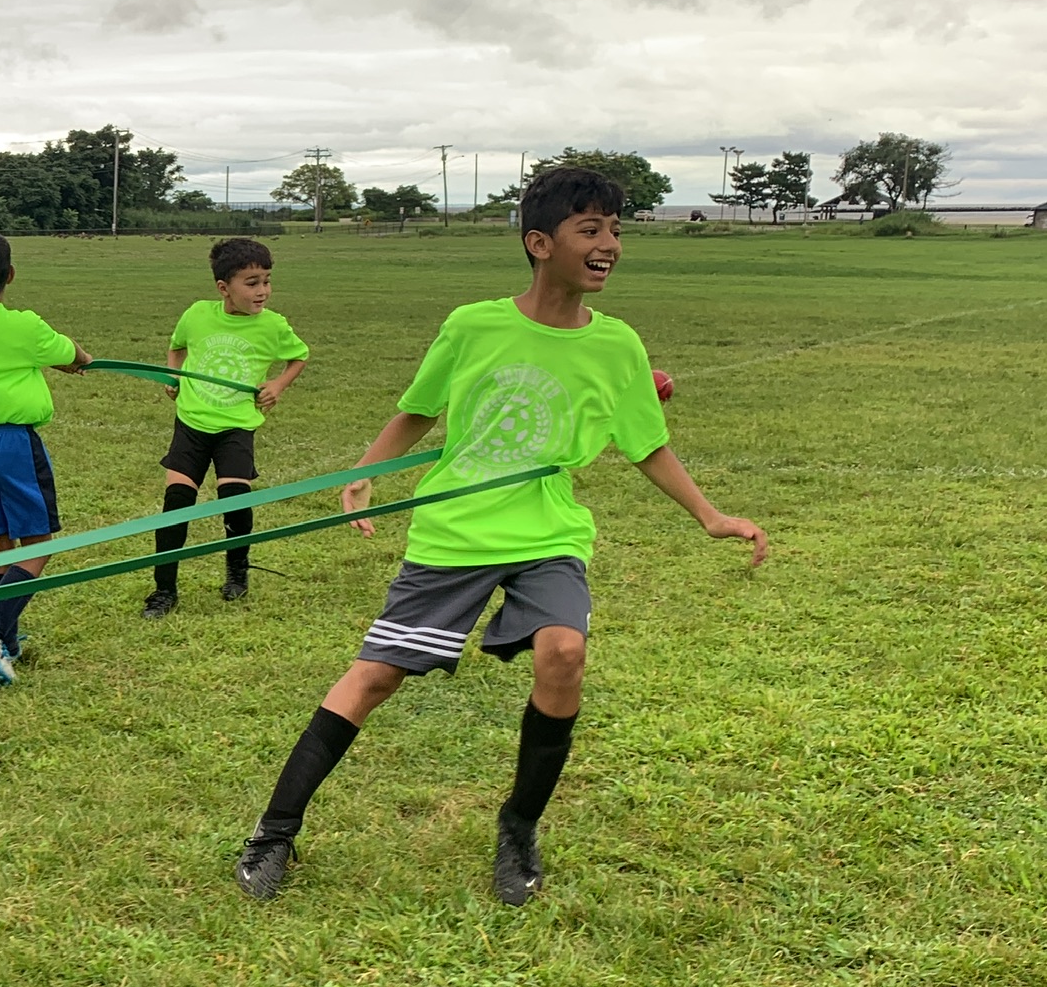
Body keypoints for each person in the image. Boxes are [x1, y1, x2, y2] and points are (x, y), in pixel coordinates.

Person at [234, 166, 769, 906]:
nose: (610, 243)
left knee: (564, 651)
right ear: (540, 243)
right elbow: (417, 410)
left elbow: (647, 445)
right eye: (592, 229)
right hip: (454, 527)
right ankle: (274, 831)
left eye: (616, 229)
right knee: (375, 677)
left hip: (547, 528)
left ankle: (518, 828)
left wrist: (710, 515)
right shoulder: (474, 324)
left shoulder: (618, 347)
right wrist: (367, 471)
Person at [0, 228, 90, 687]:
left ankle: (4, 641)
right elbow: (75, 356)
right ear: (10, 274)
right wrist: (79, 361)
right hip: (13, 445)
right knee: (41, 543)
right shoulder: (25, 325)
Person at [141, 237, 309, 617]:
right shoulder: (197, 315)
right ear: (224, 288)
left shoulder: (273, 326)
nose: (263, 290)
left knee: (234, 497)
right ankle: (164, 590)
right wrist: (174, 375)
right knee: (177, 504)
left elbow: (299, 357)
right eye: (252, 283)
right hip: (192, 422)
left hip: (236, 426)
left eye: (266, 280)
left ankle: (237, 572)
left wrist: (277, 385)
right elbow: (177, 347)